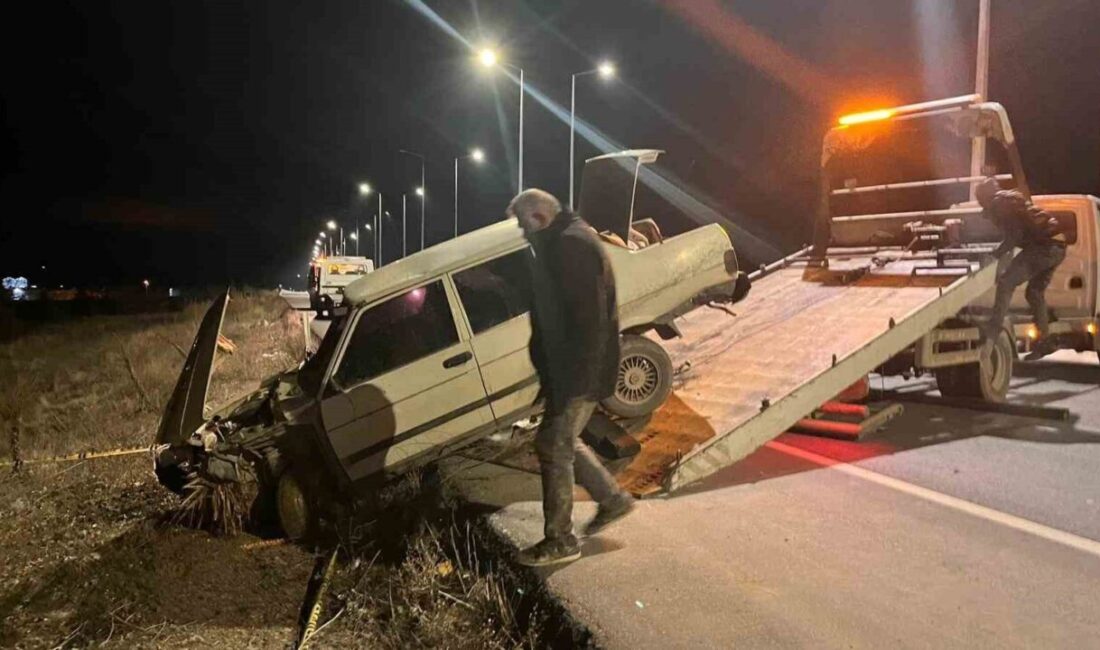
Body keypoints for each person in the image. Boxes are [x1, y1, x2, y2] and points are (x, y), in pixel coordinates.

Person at [506, 188, 636, 567]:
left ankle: (560, 539)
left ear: (540, 218)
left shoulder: (571, 246)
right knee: (559, 440)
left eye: (522, 223)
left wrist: (570, 380)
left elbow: (588, 322)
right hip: (572, 371)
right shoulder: (566, 240)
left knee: (554, 444)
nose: (522, 231)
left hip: (579, 372)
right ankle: (612, 500)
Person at [977, 177, 1066, 360]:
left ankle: (994, 329)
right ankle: (1045, 341)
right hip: (1057, 245)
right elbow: (1017, 233)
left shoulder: (999, 204)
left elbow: (1014, 236)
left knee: (1006, 282)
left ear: (984, 198)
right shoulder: (1008, 200)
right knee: (1034, 293)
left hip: (1044, 246)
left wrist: (994, 255)